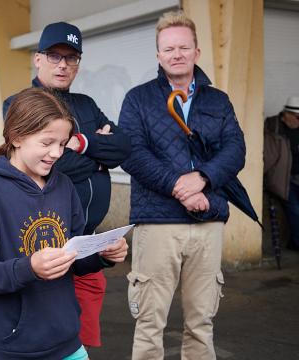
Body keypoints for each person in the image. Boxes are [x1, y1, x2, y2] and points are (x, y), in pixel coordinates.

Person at [118, 11, 246, 360]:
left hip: (208, 223)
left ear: (197, 52)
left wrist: (203, 179)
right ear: (158, 55)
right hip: (158, 223)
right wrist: (179, 187)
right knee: (149, 324)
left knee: (201, 324)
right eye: (169, 48)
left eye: (183, 47)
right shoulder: (138, 99)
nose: (177, 54)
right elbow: (132, 154)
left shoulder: (217, 101)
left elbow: (236, 150)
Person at [0, 87, 128, 360]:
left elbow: (74, 258)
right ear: (17, 137)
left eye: (63, 144)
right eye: (46, 143)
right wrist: (30, 267)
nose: (56, 153)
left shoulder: (63, 185)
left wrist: (101, 255)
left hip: (66, 339)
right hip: (12, 346)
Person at [2, 21, 131, 350]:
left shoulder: (86, 104)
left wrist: (83, 144)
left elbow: (124, 147)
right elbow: (49, 165)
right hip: (45, 247)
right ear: (37, 59)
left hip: (87, 245)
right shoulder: (19, 104)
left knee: (80, 341)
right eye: (54, 56)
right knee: (47, 340)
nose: (63, 64)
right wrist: (98, 159)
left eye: (71, 58)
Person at [264, 96, 299, 250]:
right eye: (298, 117)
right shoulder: (273, 126)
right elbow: (268, 155)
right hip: (283, 179)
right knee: (295, 210)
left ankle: (293, 241)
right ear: (287, 115)